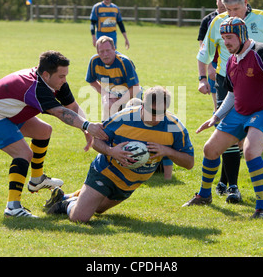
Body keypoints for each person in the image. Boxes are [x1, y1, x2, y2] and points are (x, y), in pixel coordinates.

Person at [186, 17, 263, 218]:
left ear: (241, 35)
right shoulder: (231, 59)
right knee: (210, 149)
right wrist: (216, 117)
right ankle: (204, 196)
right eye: (223, 38)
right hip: (239, 112)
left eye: (230, 37)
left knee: (250, 151)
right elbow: (232, 94)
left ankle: (261, 208)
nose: (226, 42)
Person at [0, 50, 108, 218]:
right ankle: (12, 208)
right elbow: (60, 112)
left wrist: (85, 129)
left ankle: (36, 180)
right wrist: (87, 125)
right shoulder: (35, 87)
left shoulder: (52, 81)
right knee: (23, 154)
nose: (64, 80)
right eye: (61, 76)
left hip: (9, 112)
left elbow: (72, 107)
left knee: (44, 131)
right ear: (46, 74)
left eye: (65, 75)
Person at [43, 86, 194, 223]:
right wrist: (111, 151)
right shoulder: (123, 118)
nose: (156, 118)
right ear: (143, 105)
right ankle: (65, 205)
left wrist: (168, 151)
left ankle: (65, 197)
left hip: (131, 182)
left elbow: (189, 163)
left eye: (161, 113)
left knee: (99, 209)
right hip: (106, 171)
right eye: (152, 112)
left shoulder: (175, 127)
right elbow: (96, 142)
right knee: (80, 218)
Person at [194, 0, 263, 203]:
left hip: (259, 82)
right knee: (225, 134)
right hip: (228, 81)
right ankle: (232, 185)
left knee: (246, 141)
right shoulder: (218, 22)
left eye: (236, 8)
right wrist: (202, 79)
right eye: (228, 9)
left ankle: (229, 183)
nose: (232, 14)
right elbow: (204, 52)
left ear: (246, 3)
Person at [86, 36, 141, 121]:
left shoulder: (124, 62)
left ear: (114, 49)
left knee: (132, 123)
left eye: (108, 50)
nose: (105, 54)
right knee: (107, 104)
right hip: (113, 95)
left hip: (131, 96)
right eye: (101, 51)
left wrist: (118, 103)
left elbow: (135, 88)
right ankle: (106, 129)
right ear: (97, 52)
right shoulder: (94, 61)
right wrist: (105, 94)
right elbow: (92, 81)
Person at [197, 0, 227, 112]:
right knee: (218, 105)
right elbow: (202, 47)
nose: (221, 2)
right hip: (214, 64)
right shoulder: (208, 20)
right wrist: (209, 67)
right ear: (216, 1)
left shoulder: (235, 18)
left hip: (232, 64)